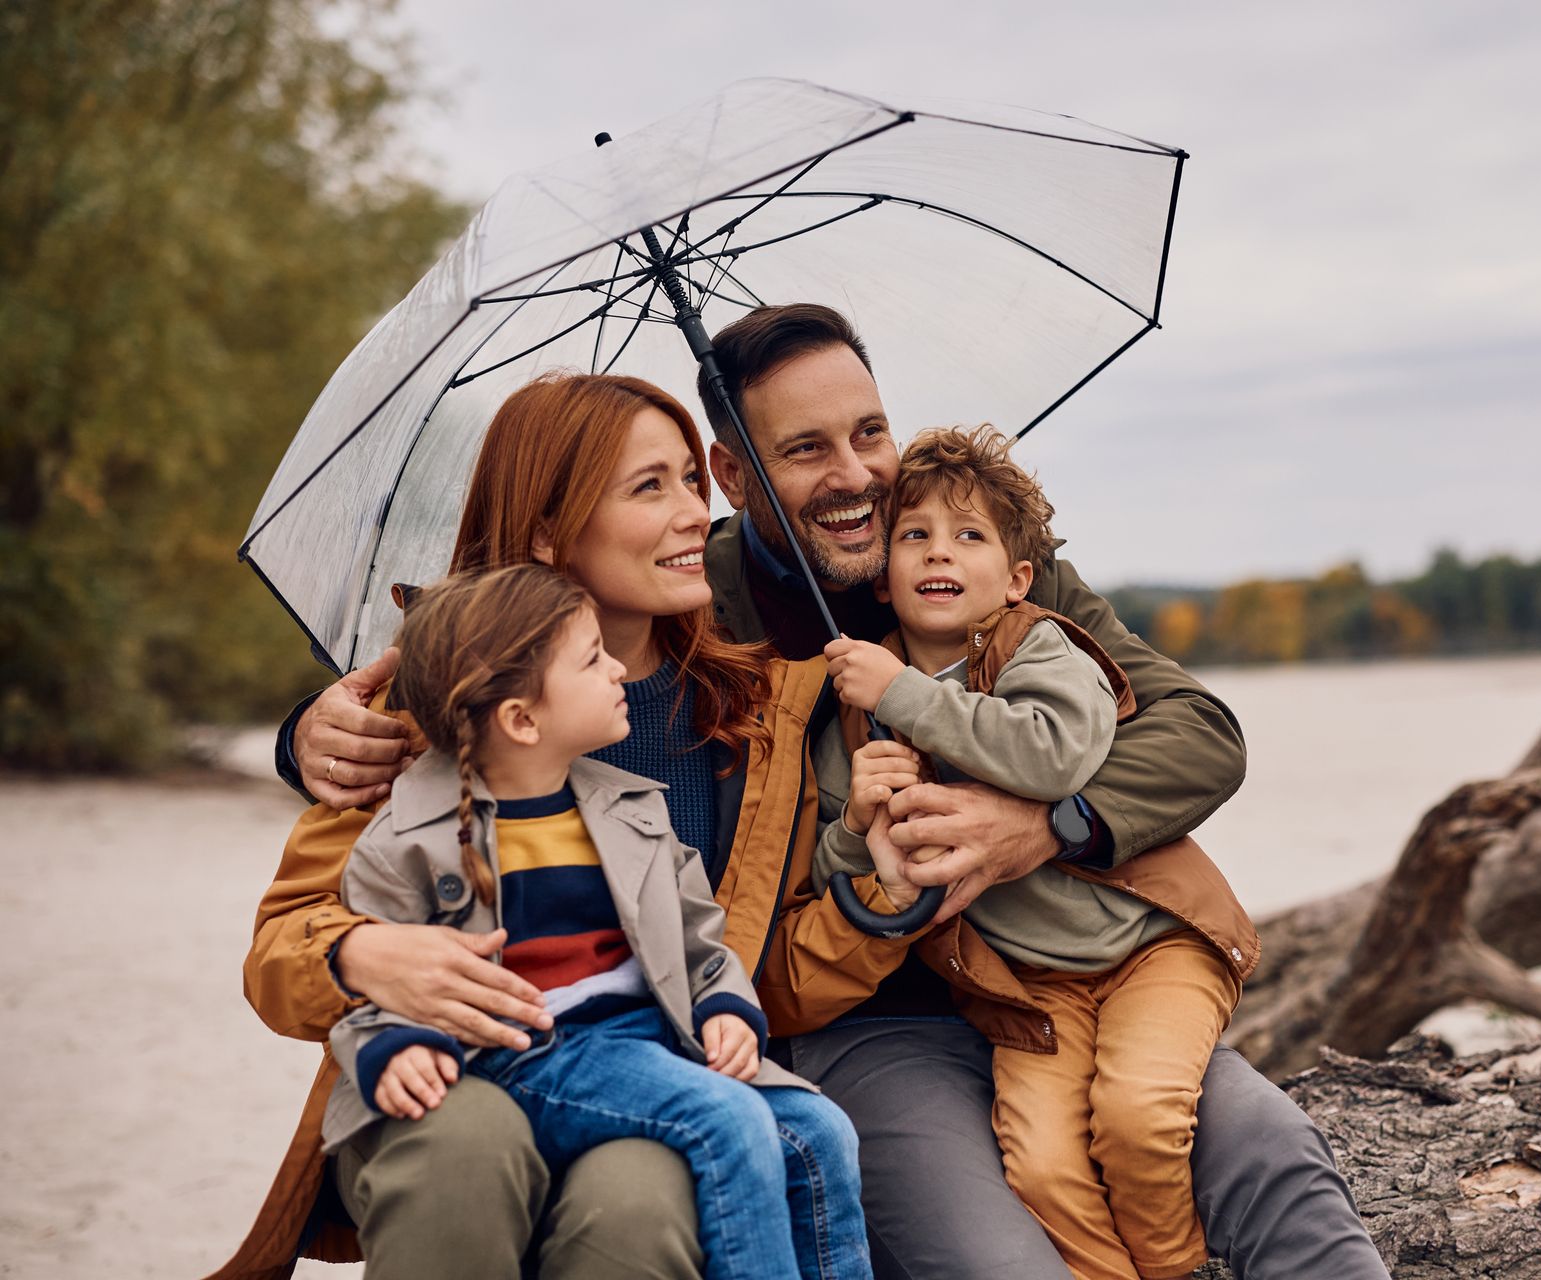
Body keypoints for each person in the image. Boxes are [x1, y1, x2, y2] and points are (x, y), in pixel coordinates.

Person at [276, 304, 1391, 1280]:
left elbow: (1197, 729)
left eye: (869, 432)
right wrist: (304, 737)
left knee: (1267, 1150)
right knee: (984, 1250)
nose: (858, 474)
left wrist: (1036, 826)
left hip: (1061, 963)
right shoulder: (701, 608)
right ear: (734, 473)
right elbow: (492, 682)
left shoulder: (980, 553)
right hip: (869, 1016)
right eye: (804, 449)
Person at [211, 374, 925, 1280]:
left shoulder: (756, 714)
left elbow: (751, 969)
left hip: (652, 1075)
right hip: (453, 1066)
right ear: (549, 532)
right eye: (647, 488)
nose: (688, 515)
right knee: (461, 1145)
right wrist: (359, 955)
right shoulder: (431, 706)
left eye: (690, 483)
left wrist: (880, 891)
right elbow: (278, 955)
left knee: (638, 1202)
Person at [325, 563, 869, 1280]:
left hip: (650, 1044)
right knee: (729, 1124)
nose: (618, 669)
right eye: (591, 660)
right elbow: (376, 991)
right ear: (522, 720)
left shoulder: (632, 809)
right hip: (530, 1058)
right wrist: (395, 1046)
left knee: (820, 1133)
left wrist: (725, 1006)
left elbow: (699, 942)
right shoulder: (409, 839)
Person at [815, 425, 1256, 1280]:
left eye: (968, 536)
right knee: (1043, 1166)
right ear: (884, 573)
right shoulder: (858, 708)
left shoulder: (1041, 647)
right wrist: (855, 817)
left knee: (1139, 1117)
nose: (939, 552)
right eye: (915, 536)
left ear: (1017, 578)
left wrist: (906, 694)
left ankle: (1175, 1271)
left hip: (1147, 948)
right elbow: (844, 878)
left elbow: (1049, 756)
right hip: (1031, 988)